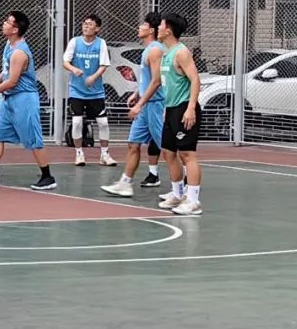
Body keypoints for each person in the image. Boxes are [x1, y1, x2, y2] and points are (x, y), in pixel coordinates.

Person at [0, 11, 56, 190]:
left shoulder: (19, 52)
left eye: (8, 22)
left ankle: (47, 176)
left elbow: (12, 81)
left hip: (24, 99)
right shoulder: (9, 45)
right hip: (9, 99)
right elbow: (6, 72)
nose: (4, 24)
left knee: (33, 138)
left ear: (15, 29)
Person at [102, 13, 165, 197]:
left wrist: (140, 104)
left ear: (151, 30)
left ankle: (184, 184)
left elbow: (157, 81)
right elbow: (148, 79)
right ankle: (125, 183)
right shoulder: (147, 50)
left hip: (155, 105)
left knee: (168, 149)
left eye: (143, 24)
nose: (139, 27)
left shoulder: (155, 50)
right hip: (145, 105)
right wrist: (137, 93)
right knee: (133, 143)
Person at [156, 12, 203, 215]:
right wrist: (167, 109)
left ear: (168, 30)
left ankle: (193, 201)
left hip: (185, 108)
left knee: (187, 154)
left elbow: (195, 80)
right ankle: (177, 194)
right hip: (172, 110)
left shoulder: (182, 53)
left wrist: (191, 107)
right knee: (168, 152)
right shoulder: (167, 53)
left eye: (161, 25)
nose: (158, 28)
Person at [63, 13, 116, 167]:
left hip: (96, 92)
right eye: (84, 23)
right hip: (77, 91)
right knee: (77, 122)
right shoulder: (75, 42)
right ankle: (79, 154)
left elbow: (104, 65)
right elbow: (65, 62)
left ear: (97, 28)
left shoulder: (101, 43)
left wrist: (93, 77)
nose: (86, 26)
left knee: (103, 123)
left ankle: (104, 154)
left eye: (90, 24)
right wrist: (74, 69)